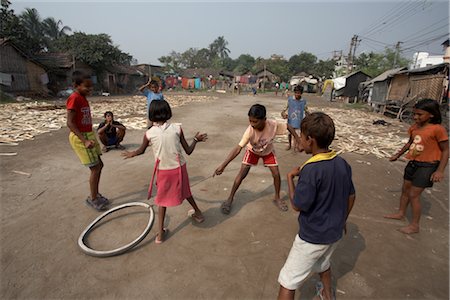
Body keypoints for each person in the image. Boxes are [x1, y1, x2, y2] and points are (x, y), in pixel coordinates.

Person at [277, 112, 355, 300]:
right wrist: (343, 219)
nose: (300, 140)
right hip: (334, 233)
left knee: (287, 281)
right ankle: (327, 295)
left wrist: (289, 178)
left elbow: (297, 205)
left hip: (313, 236)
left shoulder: (311, 170)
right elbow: (351, 195)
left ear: (310, 140)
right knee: (323, 262)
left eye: (301, 137)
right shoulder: (342, 163)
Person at [122, 100, 207, 243]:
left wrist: (133, 153)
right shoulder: (177, 128)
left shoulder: (149, 134)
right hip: (179, 168)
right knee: (186, 191)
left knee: (162, 200)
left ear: (151, 115)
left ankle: (160, 235)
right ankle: (198, 214)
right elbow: (188, 151)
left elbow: (141, 151)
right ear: (168, 112)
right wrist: (195, 140)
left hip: (163, 171)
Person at [383, 99, 449, 234]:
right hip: (413, 162)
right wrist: (397, 155)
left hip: (428, 165)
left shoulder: (438, 129)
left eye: (419, 114)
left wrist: (440, 170)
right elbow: (409, 143)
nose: (415, 117)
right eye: (414, 114)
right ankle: (401, 213)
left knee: (414, 195)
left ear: (431, 114)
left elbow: (446, 150)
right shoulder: (415, 127)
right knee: (405, 190)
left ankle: (414, 225)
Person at [213, 104, 287, 215]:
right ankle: (230, 198)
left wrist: (298, 139)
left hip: (267, 151)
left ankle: (277, 198)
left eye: (255, 122)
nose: (252, 124)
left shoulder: (273, 124)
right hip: (253, 151)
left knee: (276, 174)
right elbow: (238, 148)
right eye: (250, 121)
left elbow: (288, 127)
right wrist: (223, 165)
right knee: (242, 173)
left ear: (264, 120)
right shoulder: (249, 131)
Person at [66, 71, 109, 211]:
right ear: (76, 85)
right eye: (87, 87)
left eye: (91, 87)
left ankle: (95, 194)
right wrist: (84, 140)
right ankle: (93, 199)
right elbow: (70, 123)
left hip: (88, 134)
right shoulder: (74, 98)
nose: (90, 90)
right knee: (95, 168)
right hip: (81, 137)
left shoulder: (83, 97)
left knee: (99, 165)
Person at [281, 85, 308, 151]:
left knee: (296, 134)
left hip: (299, 120)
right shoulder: (290, 100)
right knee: (289, 133)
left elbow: (306, 110)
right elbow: (284, 108)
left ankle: (295, 147)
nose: (297, 94)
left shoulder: (303, 101)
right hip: (291, 119)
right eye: (296, 93)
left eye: (299, 93)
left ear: (301, 93)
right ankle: (289, 145)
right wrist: (283, 114)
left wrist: (308, 117)